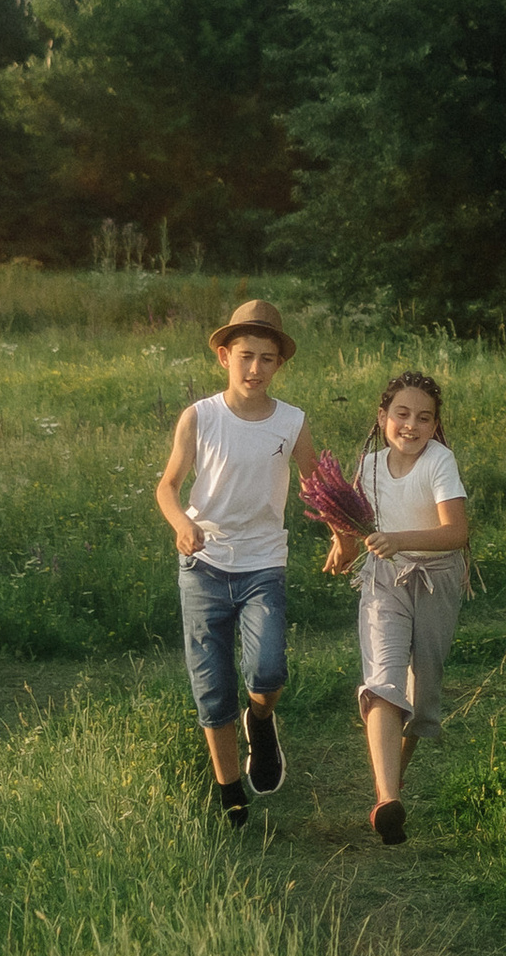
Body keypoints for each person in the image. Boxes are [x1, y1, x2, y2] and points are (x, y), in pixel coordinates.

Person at [157, 296, 308, 831]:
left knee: (268, 669)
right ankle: (230, 790)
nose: (255, 368)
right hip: (203, 566)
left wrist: (342, 532)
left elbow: (317, 486)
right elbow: (168, 486)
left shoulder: (291, 422)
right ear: (224, 356)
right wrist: (182, 524)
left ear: (279, 364)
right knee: (212, 685)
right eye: (245, 356)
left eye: (267, 358)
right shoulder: (200, 417)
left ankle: (261, 721)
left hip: (264, 564)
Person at [320, 368, 469, 845]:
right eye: (401, 414)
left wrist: (398, 538)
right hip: (384, 578)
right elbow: (351, 516)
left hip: (436, 578)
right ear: (382, 416)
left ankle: (394, 781)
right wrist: (342, 543)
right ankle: (386, 798)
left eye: (424, 418)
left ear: (435, 424)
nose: (411, 425)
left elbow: (456, 533)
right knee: (383, 679)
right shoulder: (370, 465)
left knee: (421, 694)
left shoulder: (440, 462)